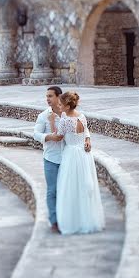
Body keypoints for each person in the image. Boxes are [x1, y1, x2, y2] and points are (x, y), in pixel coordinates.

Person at [50, 91, 105, 235]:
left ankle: (73, 222)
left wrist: (47, 133)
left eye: (61, 104)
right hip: (84, 154)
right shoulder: (82, 116)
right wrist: (87, 141)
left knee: (71, 187)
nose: (59, 106)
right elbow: (86, 133)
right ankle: (87, 219)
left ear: (67, 106)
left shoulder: (65, 120)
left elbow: (58, 137)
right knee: (85, 186)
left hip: (71, 155)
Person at [33, 86, 64, 233]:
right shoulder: (43, 115)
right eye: (47, 96)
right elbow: (36, 134)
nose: (47, 99)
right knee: (52, 191)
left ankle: (67, 217)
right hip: (51, 158)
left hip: (67, 158)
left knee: (67, 190)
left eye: (50, 96)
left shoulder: (67, 114)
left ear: (59, 97)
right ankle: (54, 221)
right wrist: (49, 137)